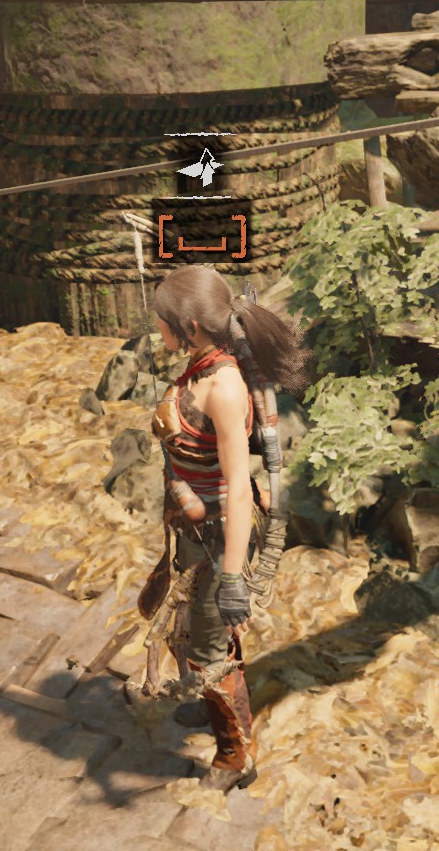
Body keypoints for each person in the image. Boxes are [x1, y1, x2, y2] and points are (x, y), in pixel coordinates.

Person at [144, 265, 311, 792]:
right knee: (184, 625)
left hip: (219, 539)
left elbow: (239, 487)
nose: (158, 330)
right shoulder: (202, 365)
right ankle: (205, 697)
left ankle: (236, 754)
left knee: (212, 648)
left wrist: (234, 576)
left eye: (163, 322)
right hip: (192, 533)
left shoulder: (224, 388)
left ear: (191, 327)